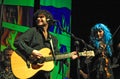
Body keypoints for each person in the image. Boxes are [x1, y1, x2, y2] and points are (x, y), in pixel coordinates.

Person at [13, 9, 78, 79]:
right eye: (37, 17)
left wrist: (69, 56)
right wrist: (32, 51)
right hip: (30, 72)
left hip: (44, 75)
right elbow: (17, 42)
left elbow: (56, 55)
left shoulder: (53, 39)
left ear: (48, 19)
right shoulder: (33, 31)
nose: (38, 19)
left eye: (41, 17)